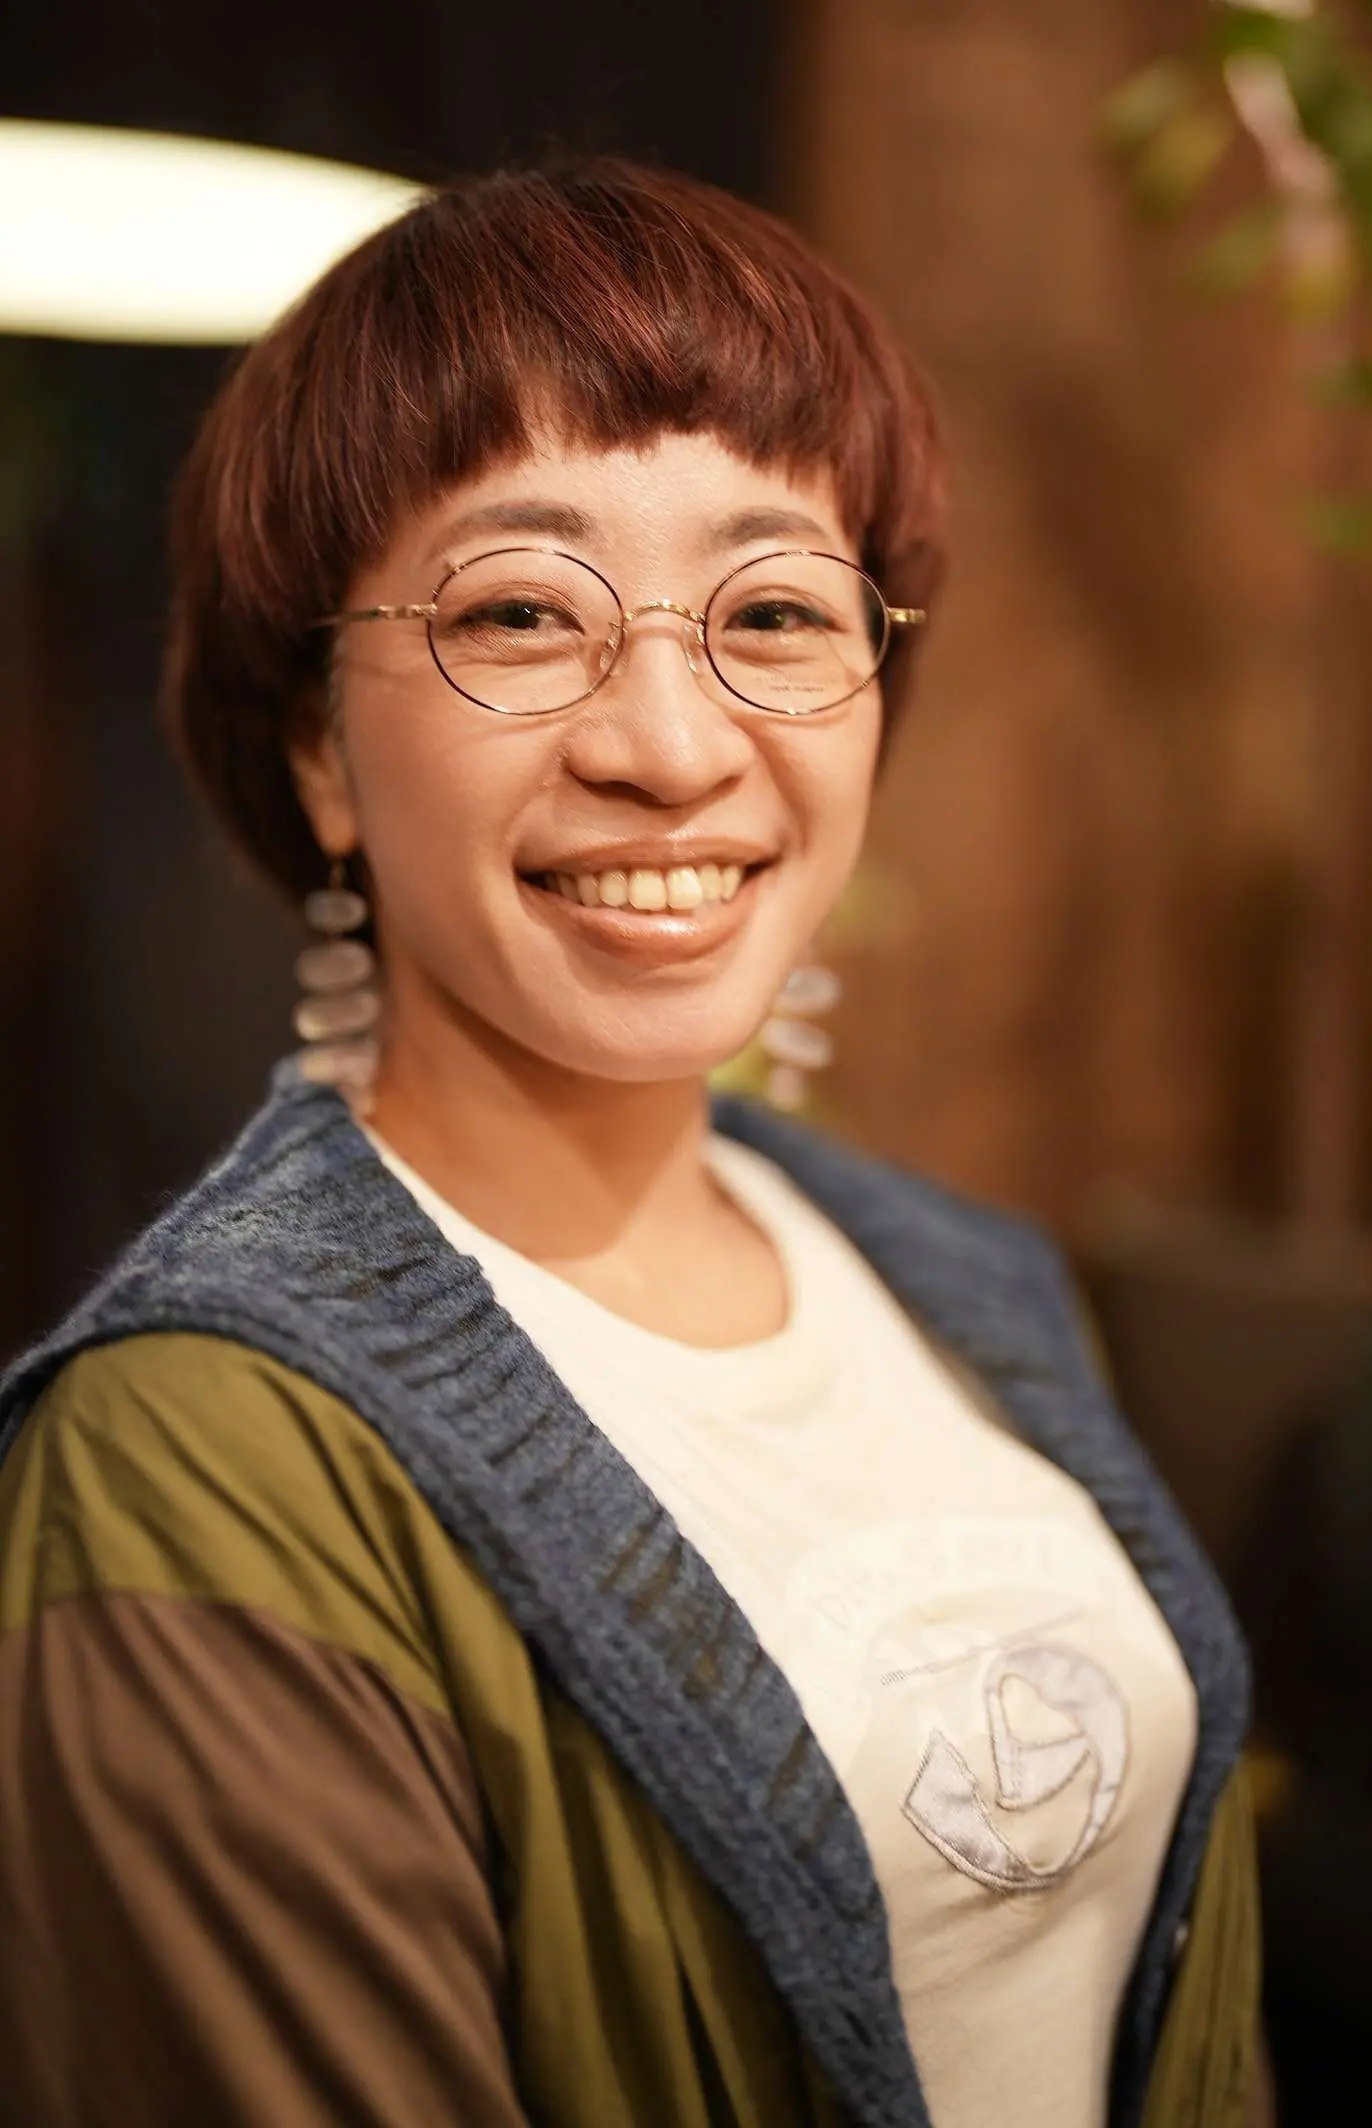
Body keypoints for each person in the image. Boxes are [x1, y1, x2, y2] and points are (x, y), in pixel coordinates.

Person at [0, 156, 1257, 2128]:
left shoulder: (968, 1280)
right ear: (321, 745)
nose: (671, 746)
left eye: (776, 608)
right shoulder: (197, 1450)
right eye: (520, 609)